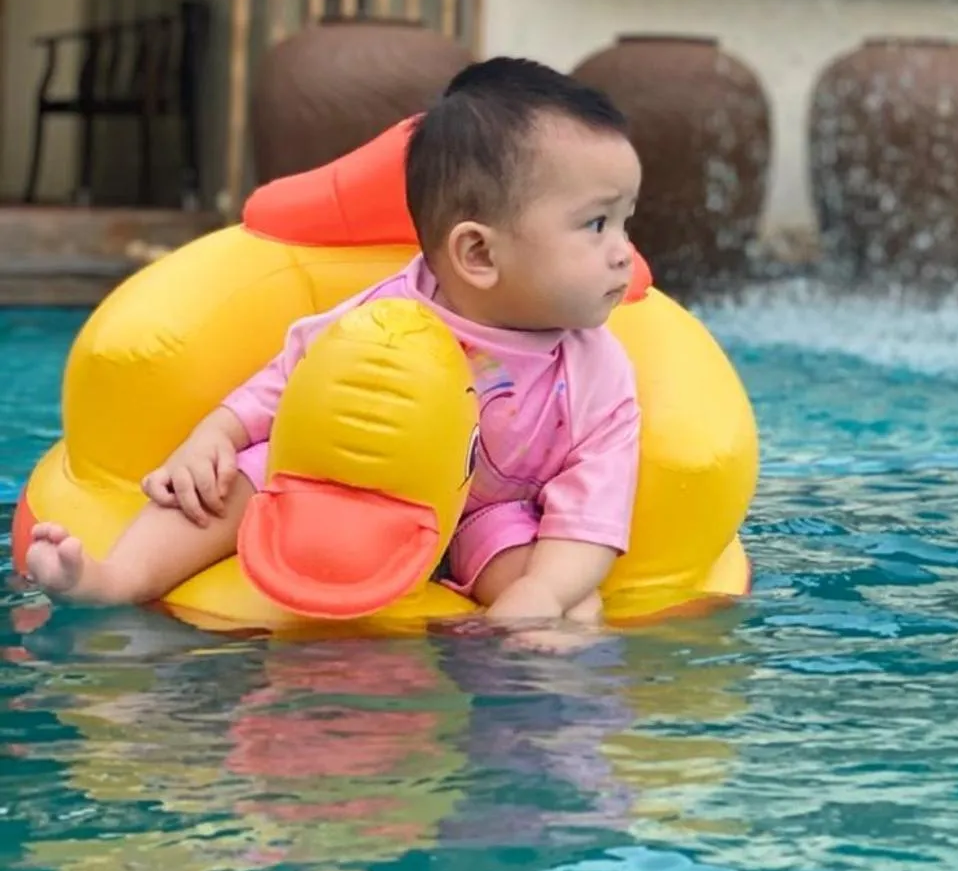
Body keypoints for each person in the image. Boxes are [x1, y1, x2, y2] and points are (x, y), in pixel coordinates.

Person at [26, 58, 643, 631]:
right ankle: (116, 579)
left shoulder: (596, 369)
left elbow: (592, 508)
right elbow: (289, 378)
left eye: (624, 222)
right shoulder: (390, 313)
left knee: (571, 605)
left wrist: (540, 595)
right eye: (596, 224)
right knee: (234, 477)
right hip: (349, 487)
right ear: (478, 253)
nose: (624, 251)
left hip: (487, 516)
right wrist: (214, 435)